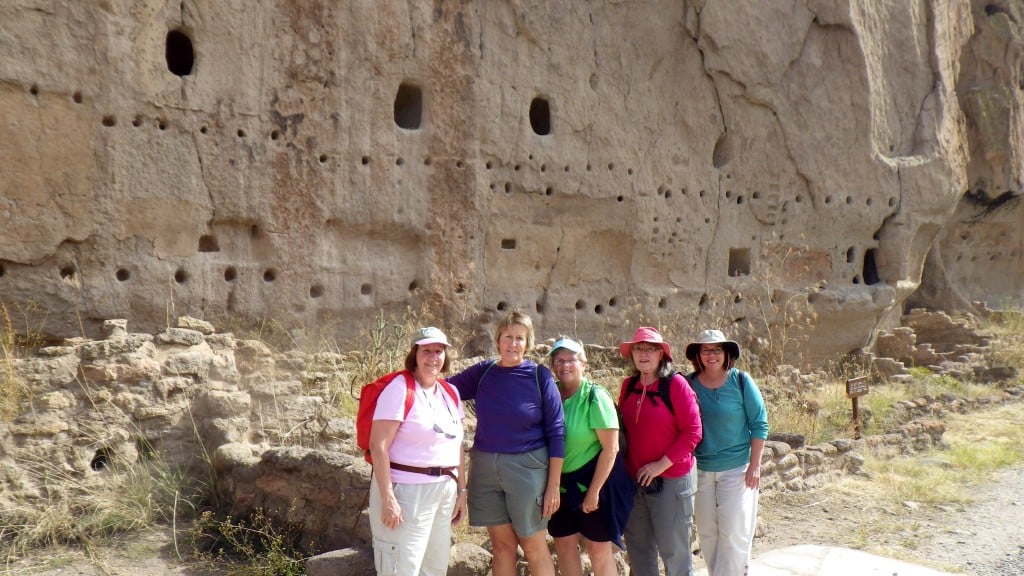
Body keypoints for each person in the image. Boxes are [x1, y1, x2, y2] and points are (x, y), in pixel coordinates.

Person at [448, 311, 565, 576]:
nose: (513, 344)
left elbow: (557, 431)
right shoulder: (484, 372)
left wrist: (553, 486)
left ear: (528, 343)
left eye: (520, 338)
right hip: (486, 467)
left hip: (527, 467)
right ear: (498, 339)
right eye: (508, 337)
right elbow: (443, 390)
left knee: (533, 545)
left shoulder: (539, 376)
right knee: (502, 546)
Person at [368, 326, 467, 576]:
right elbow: (378, 445)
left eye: (439, 351)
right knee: (401, 568)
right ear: (415, 354)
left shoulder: (450, 393)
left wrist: (461, 491)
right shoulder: (399, 389)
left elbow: (457, 446)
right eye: (427, 351)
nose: (433, 357)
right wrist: (388, 498)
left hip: (443, 490)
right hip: (407, 493)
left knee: (433, 569)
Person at [617, 326, 703, 576]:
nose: (644, 354)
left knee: (674, 553)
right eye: (638, 348)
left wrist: (659, 465)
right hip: (636, 482)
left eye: (650, 349)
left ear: (661, 354)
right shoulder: (628, 386)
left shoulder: (675, 384)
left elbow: (693, 432)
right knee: (639, 552)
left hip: (671, 480)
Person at [547, 337, 635, 576]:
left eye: (571, 360)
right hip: (559, 486)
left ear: (584, 363)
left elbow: (611, 448)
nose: (565, 365)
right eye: (559, 360)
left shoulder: (594, 397)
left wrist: (594, 491)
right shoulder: (550, 394)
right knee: (564, 546)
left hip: (592, 483)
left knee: (598, 549)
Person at [686, 329, 769, 576]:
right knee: (708, 532)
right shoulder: (689, 385)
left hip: (736, 468)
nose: (711, 355)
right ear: (698, 354)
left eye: (717, 350)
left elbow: (759, 423)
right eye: (706, 350)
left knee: (734, 531)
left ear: (726, 353)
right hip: (701, 469)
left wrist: (755, 465)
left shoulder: (740, 381)